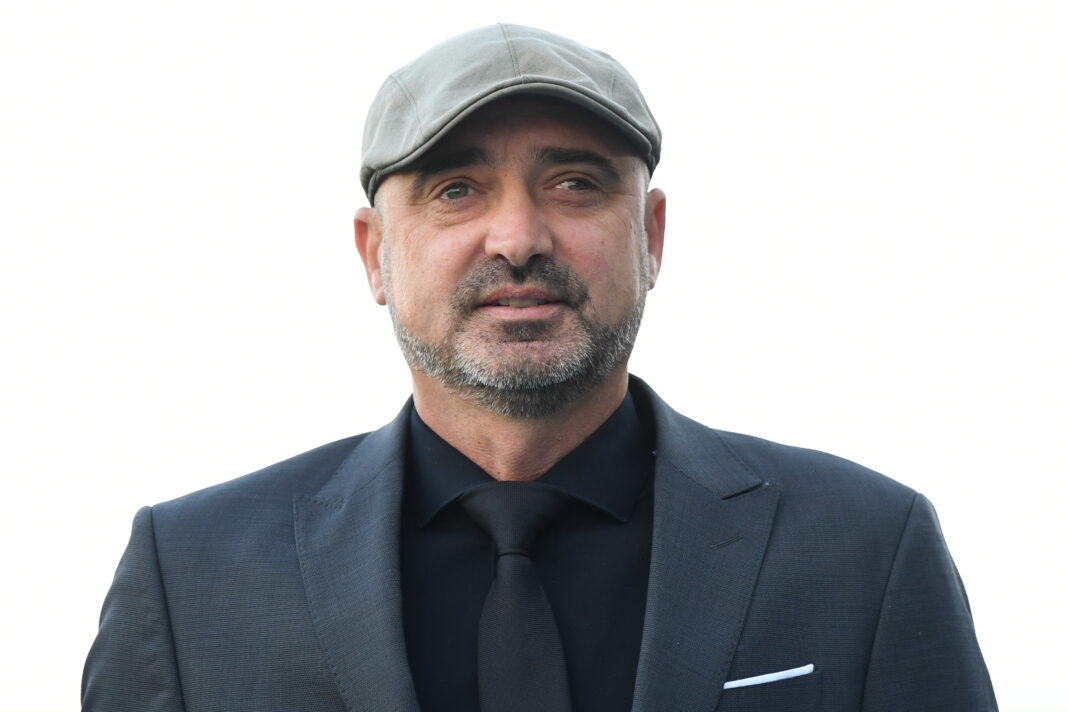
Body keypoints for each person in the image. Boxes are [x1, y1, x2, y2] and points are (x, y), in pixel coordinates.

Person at [82, 24, 997, 712]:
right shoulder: (192, 575)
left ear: (651, 236)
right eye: (456, 189)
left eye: (575, 184)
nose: (517, 238)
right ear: (375, 254)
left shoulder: (864, 549)